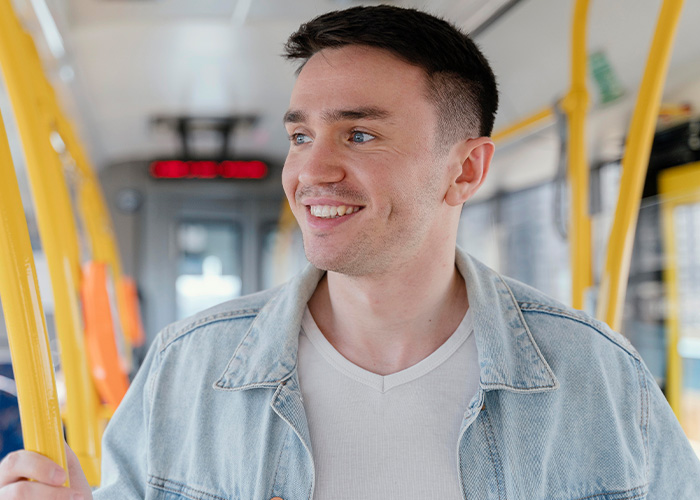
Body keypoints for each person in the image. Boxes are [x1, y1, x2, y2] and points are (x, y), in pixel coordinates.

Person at [2, 5, 700, 500]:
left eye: (359, 136)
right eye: (301, 136)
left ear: (466, 170)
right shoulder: (189, 369)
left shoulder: (595, 380)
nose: (311, 172)